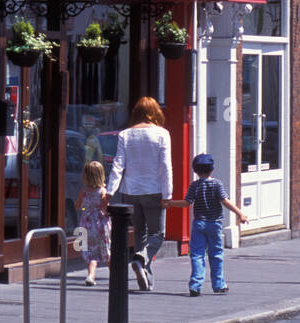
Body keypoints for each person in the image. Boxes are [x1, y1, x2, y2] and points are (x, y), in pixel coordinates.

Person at [106, 96, 171, 290]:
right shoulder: (162, 134)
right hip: (154, 190)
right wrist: (167, 194)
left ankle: (146, 278)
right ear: (155, 113)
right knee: (158, 234)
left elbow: (118, 165)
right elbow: (166, 167)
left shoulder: (125, 135)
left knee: (140, 235)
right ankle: (140, 259)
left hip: (131, 192)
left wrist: (110, 191)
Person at [166, 153, 248, 296]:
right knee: (216, 254)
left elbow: (186, 203)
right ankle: (219, 285)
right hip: (214, 223)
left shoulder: (194, 186)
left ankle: (195, 285)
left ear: (195, 170)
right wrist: (240, 213)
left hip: (199, 223)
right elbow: (225, 201)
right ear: (212, 169)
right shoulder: (217, 184)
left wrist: (170, 203)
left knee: (197, 254)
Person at [75, 160, 110, 285]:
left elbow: (77, 206)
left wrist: (86, 208)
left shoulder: (83, 191)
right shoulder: (102, 191)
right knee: (106, 251)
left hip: (86, 223)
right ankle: (114, 276)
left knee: (91, 253)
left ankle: (91, 276)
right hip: (100, 224)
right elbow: (105, 209)